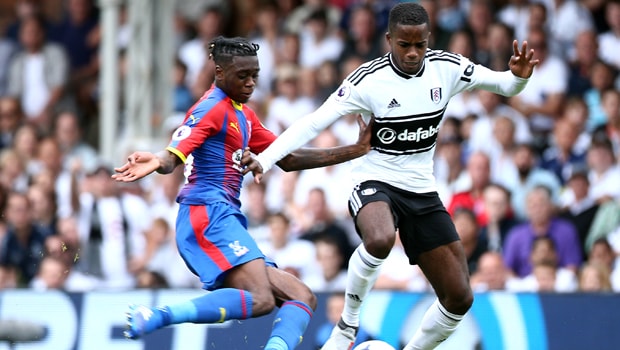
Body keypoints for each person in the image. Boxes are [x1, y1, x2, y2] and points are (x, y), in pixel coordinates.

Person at [242, 3, 539, 350]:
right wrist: (266, 158)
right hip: (374, 178)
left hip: (421, 188)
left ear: (428, 40)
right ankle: (347, 325)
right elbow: (313, 122)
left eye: (420, 44)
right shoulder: (368, 80)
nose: (413, 53)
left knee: (459, 297)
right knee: (380, 238)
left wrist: (519, 76)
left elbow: (504, 86)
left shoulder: (448, 68)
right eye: (404, 44)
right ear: (389, 40)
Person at [111, 36, 372, 350]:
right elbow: (174, 153)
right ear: (220, 73)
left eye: (255, 76)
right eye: (242, 76)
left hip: (225, 216)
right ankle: (157, 315)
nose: (251, 84)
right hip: (205, 213)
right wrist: (157, 160)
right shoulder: (209, 108)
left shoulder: (244, 115)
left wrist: (356, 150)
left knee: (302, 296)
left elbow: (287, 158)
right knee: (261, 299)